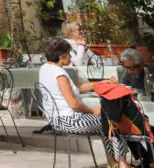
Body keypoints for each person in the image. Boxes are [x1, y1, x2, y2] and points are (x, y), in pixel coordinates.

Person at [39, 37, 132, 168]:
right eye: (69, 54)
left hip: (56, 120)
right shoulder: (59, 74)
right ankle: (122, 164)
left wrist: (100, 83)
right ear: (61, 57)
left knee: (104, 121)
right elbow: (74, 104)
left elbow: (74, 87)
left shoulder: (45, 69)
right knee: (112, 119)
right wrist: (94, 110)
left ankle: (112, 162)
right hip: (70, 121)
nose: (70, 58)